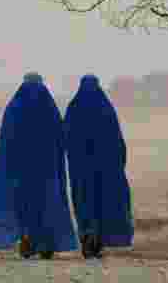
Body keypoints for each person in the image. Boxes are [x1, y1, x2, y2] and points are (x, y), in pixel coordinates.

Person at [0, 72, 77, 259]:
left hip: (20, 172)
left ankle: (27, 239)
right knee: (46, 205)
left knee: (24, 205)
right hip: (46, 171)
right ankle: (43, 242)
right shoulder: (49, 108)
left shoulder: (15, 107)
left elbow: (6, 142)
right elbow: (60, 140)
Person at [63, 74, 134, 258]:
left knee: (84, 201)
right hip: (105, 168)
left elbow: (66, 137)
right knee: (103, 202)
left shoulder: (74, 108)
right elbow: (117, 140)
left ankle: (87, 235)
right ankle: (97, 240)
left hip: (81, 169)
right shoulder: (105, 108)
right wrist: (119, 163)